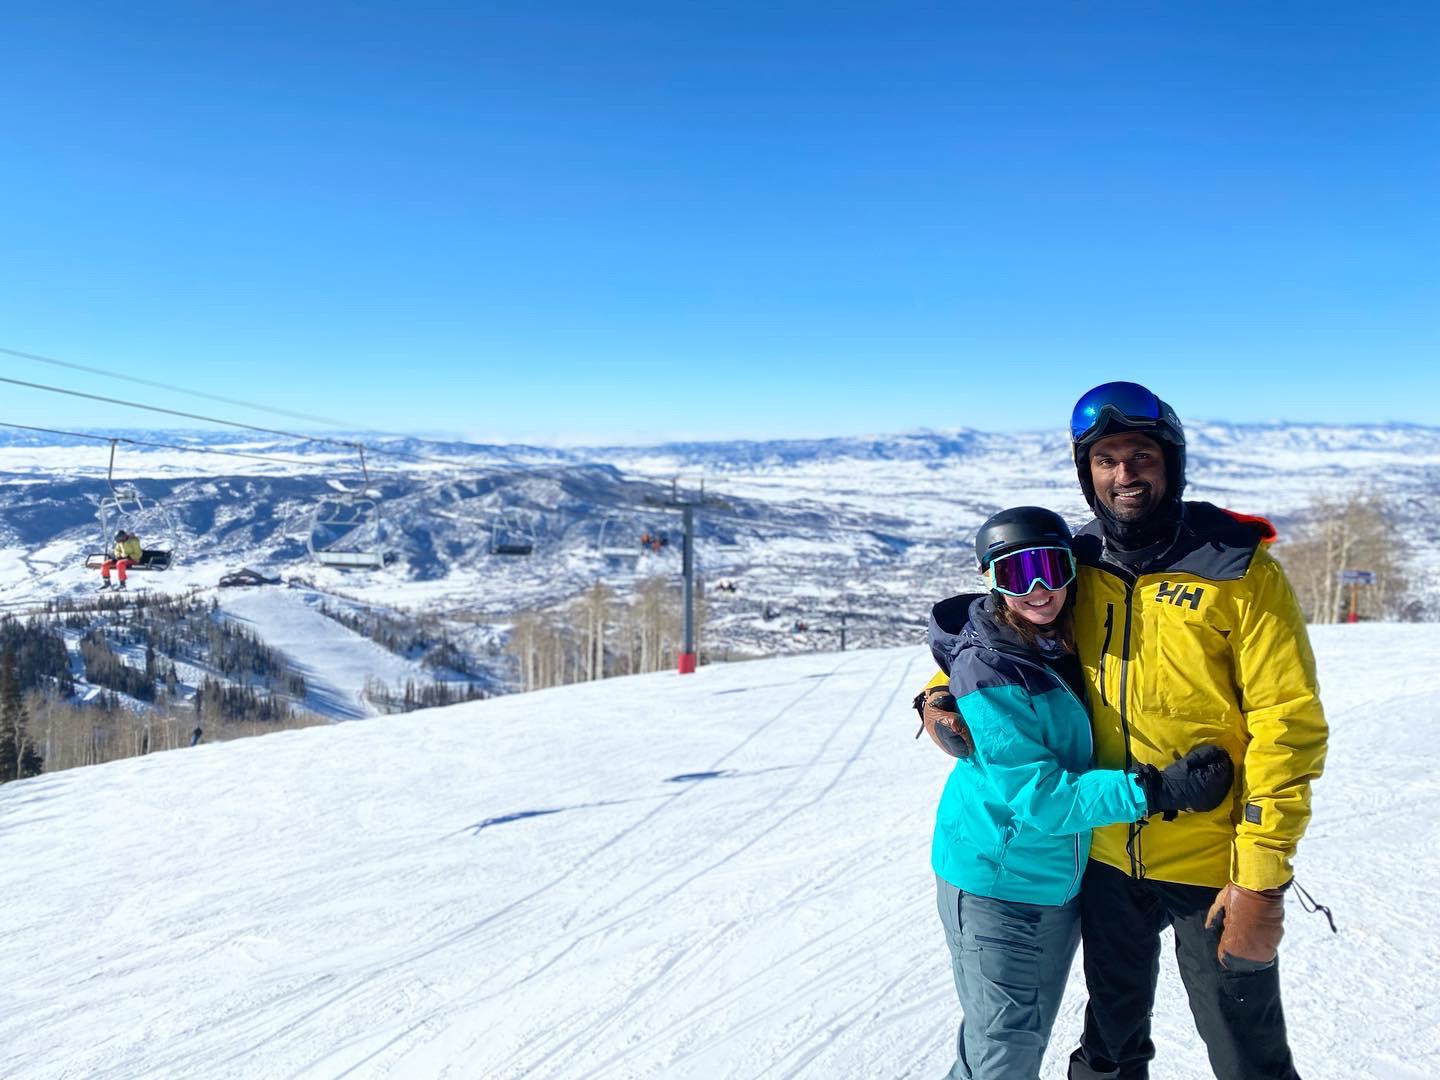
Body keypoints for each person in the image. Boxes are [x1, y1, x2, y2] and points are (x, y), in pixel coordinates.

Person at [918, 382, 1327, 1080]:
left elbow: (1288, 727)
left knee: (1246, 1053)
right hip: (1107, 861)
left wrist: (1261, 879)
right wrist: (938, 695)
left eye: (1140, 455)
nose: (1124, 473)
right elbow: (1002, 636)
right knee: (1110, 1044)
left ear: (1170, 463)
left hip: (1212, 862)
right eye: (1105, 459)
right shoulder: (1075, 564)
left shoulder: (1237, 570)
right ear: (1088, 474)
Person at [927, 506, 1234, 1080]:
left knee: (1013, 1032)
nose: (1039, 589)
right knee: (1008, 1045)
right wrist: (1159, 790)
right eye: (1017, 575)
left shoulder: (1074, 628)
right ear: (990, 582)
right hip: (998, 877)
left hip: (1059, 879)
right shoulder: (991, 667)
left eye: (1050, 567)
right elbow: (1042, 799)